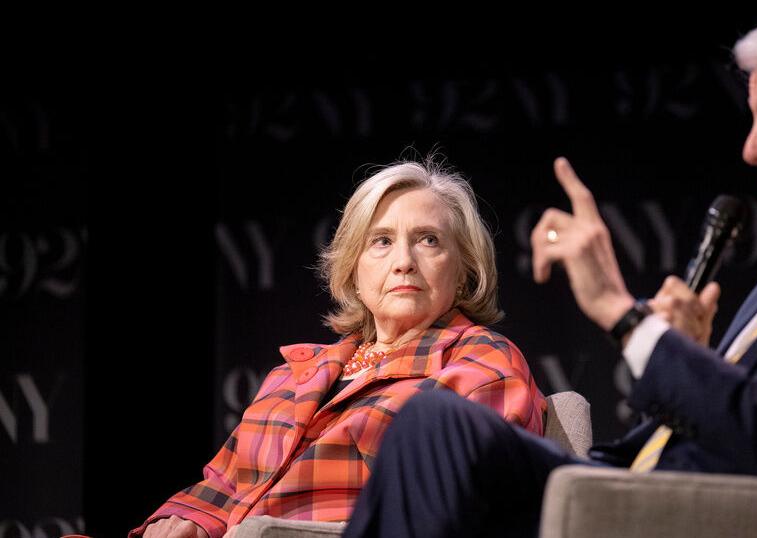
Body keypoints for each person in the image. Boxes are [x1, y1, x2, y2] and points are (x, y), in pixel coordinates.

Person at [341, 3, 757, 537]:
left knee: (435, 428)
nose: (752, 148)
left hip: (687, 516)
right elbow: (745, 422)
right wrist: (692, 358)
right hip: (635, 487)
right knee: (434, 425)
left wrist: (626, 317)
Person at [130, 159, 546, 538]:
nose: (403, 261)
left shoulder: (481, 359)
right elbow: (226, 480)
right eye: (381, 241)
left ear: (463, 271)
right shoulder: (293, 374)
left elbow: (475, 504)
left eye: (428, 240)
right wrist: (190, 517)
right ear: (353, 271)